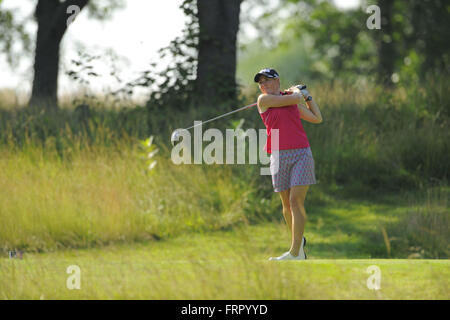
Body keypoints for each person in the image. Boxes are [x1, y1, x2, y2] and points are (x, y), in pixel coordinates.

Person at [254, 68, 323, 261]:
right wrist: (296, 92)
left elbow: (317, 118)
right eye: (261, 83)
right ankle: (299, 246)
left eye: (267, 81)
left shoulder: (291, 100)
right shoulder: (263, 100)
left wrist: (307, 97)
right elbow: (292, 99)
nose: (264, 86)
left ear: (277, 81)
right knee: (286, 205)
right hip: (278, 154)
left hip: (301, 153)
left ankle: (294, 253)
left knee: (295, 201)